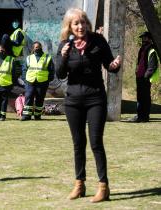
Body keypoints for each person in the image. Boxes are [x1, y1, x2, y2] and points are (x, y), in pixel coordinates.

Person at [56, 8, 121, 202]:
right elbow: (59, 74)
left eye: (83, 22)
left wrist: (114, 66)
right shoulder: (64, 45)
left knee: (95, 142)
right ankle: (79, 184)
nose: (80, 26)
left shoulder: (98, 41)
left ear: (87, 24)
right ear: (70, 26)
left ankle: (103, 187)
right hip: (73, 101)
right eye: (76, 23)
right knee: (78, 144)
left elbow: (109, 64)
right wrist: (64, 55)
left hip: (95, 99)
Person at [129, 31, 159, 123]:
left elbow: (152, 66)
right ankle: (139, 115)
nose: (143, 39)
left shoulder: (152, 50)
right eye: (142, 38)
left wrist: (146, 77)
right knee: (140, 97)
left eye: (145, 38)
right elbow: (139, 62)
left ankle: (144, 117)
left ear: (149, 39)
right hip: (139, 77)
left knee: (145, 98)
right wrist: (137, 72)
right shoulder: (142, 49)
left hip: (145, 78)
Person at [21, 41, 54, 121]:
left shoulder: (47, 57)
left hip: (42, 81)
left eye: (38, 47)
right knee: (29, 97)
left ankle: (37, 115)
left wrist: (48, 80)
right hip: (30, 81)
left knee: (40, 98)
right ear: (33, 48)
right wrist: (25, 80)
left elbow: (51, 70)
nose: (37, 48)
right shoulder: (29, 58)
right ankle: (26, 116)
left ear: (41, 48)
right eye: (35, 47)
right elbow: (24, 69)